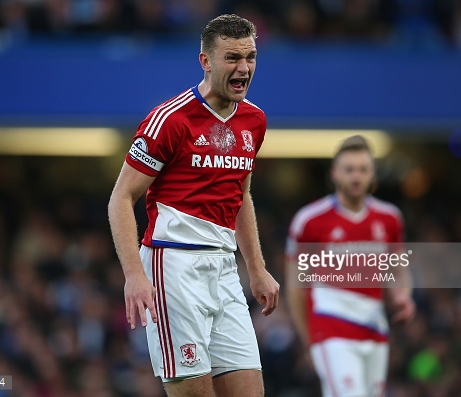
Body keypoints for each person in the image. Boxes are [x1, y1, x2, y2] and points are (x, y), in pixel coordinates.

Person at [107, 14, 280, 397]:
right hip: (173, 269)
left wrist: (257, 268)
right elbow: (120, 197)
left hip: (224, 271)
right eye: (232, 57)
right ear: (205, 61)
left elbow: (241, 195)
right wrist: (135, 275)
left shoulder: (255, 120)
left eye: (250, 57)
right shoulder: (169, 120)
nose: (244, 68)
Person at [285, 135, 415, 397]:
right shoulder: (309, 221)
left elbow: (398, 270)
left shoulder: (389, 218)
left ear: (373, 174)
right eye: (349, 169)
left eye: (363, 169)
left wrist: (403, 296)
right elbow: (295, 286)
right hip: (331, 328)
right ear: (335, 174)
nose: (356, 176)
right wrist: (308, 341)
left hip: (374, 327)